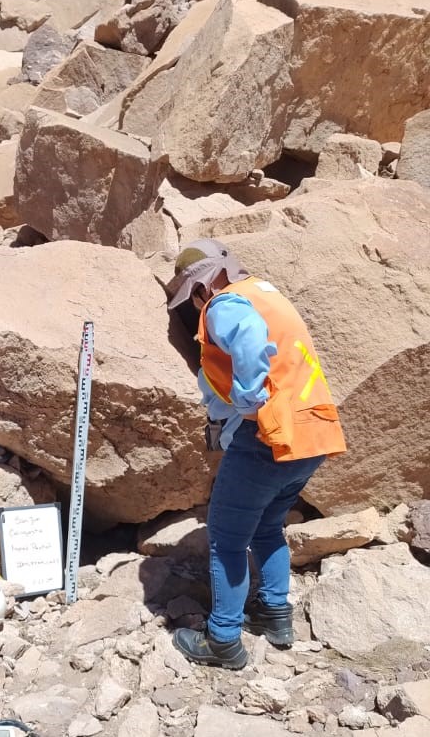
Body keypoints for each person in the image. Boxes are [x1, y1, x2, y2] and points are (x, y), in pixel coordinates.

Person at [165, 239, 346, 670]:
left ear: (201, 287)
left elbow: (246, 338)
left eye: (192, 298)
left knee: (226, 540)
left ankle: (223, 640)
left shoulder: (225, 304)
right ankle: (274, 616)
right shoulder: (267, 293)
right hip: (311, 434)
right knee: (267, 528)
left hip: (266, 436)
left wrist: (248, 400)